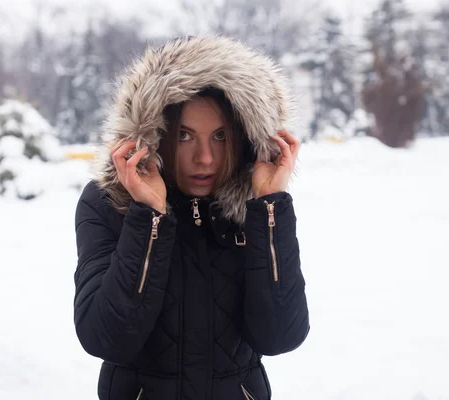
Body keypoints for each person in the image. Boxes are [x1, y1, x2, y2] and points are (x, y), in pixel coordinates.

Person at [74, 36, 309, 400]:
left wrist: (270, 206)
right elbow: (105, 337)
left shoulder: (254, 208)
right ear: (155, 135)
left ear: (244, 137)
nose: (205, 158)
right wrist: (148, 216)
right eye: (184, 136)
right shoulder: (110, 203)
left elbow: (280, 336)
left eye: (219, 137)